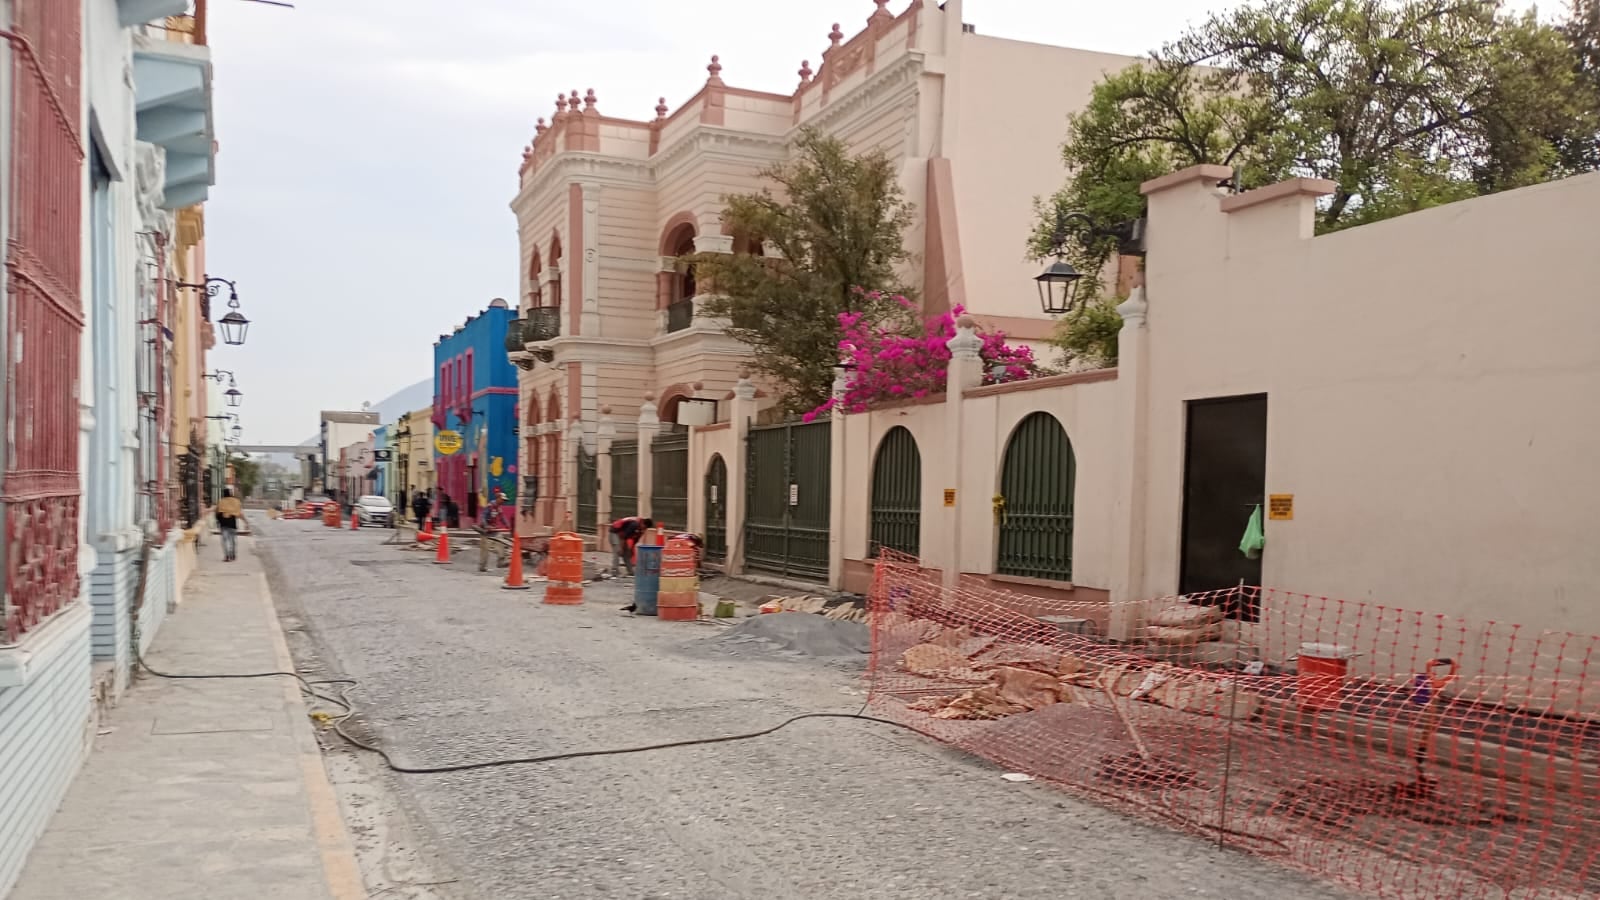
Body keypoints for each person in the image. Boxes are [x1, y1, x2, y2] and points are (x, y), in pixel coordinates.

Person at [216, 488, 244, 562]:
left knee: (225, 540)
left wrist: (218, 521)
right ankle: (233, 555)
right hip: (232, 523)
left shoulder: (221, 501)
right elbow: (239, 513)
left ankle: (227, 556)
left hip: (223, 524)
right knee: (233, 541)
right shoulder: (236, 501)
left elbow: (217, 512)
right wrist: (245, 522)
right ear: (230, 493)